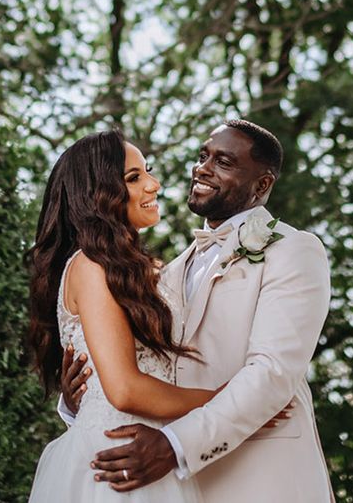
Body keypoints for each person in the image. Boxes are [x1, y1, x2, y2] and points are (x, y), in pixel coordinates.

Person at [61, 120, 334, 502]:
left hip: (261, 476)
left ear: (262, 185)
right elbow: (140, 368)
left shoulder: (292, 250)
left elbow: (272, 375)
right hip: (172, 485)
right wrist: (80, 398)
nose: (203, 168)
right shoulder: (164, 273)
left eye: (224, 162)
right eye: (203, 156)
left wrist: (174, 445)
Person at [26, 129, 219, 502]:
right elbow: (124, 389)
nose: (154, 184)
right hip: (117, 462)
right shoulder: (89, 267)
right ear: (97, 196)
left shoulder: (156, 272)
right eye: (134, 178)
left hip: (163, 452)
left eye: (147, 171)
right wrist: (225, 401)